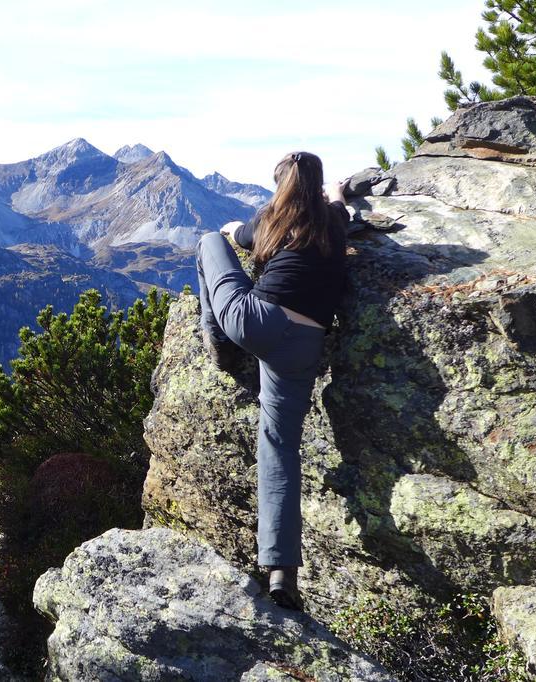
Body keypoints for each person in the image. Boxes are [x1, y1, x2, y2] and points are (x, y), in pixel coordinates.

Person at [194, 150, 349, 610]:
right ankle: (283, 574)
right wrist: (338, 198)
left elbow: (230, 236)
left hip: (254, 321)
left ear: (280, 186)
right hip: (305, 341)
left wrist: (229, 230)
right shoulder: (334, 221)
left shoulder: (269, 218)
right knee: (280, 448)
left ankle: (218, 340)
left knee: (206, 241)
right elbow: (340, 207)